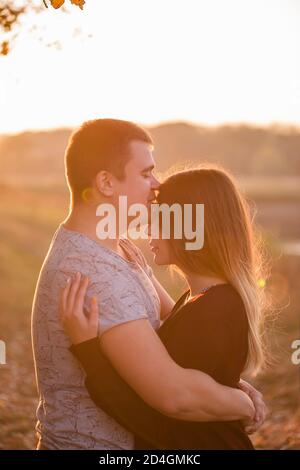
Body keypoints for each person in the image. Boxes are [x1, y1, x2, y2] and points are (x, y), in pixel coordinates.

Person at [59, 165, 268, 449]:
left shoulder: (215, 311)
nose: (147, 229)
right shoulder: (201, 299)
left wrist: (87, 349)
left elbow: (154, 420)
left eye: (158, 219)